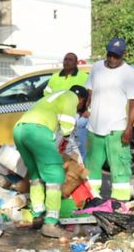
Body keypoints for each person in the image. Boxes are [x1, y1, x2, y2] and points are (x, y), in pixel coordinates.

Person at [13, 85, 89, 238]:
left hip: (20, 130)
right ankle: (51, 223)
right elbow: (67, 127)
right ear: (81, 100)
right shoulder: (71, 97)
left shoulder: (52, 97)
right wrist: (66, 142)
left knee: (35, 175)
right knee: (55, 175)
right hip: (38, 131)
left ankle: (38, 216)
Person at [85, 37, 134, 201]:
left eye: (116, 56)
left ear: (123, 54)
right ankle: (92, 198)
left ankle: (120, 201)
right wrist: (85, 111)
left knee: (120, 167)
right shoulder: (96, 68)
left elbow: (133, 103)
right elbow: (89, 91)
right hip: (93, 127)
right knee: (92, 167)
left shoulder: (129, 73)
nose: (112, 59)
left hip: (117, 128)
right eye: (109, 55)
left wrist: (129, 127)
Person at [44, 52, 90, 157]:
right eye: (65, 59)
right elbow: (46, 95)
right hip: (57, 117)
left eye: (70, 60)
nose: (67, 61)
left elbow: (92, 95)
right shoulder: (55, 77)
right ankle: (65, 170)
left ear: (76, 63)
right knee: (60, 147)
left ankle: (81, 171)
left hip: (77, 116)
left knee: (79, 149)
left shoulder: (84, 76)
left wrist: (88, 110)